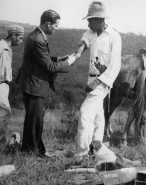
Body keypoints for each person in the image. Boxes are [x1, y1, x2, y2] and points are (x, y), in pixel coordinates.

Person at [16, 10, 76, 157]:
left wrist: (60, 59)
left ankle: (31, 150)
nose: (56, 29)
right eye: (55, 26)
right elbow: (48, 67)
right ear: (48, 24)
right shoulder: (38, 39)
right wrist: (69, 62)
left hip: (31, 84)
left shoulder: (36, 36)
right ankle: (34, 152)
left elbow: (44, 59)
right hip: (34, 85)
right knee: (35, 121)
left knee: (33, 120)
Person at [71, 1, 121, 156]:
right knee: (98, 114)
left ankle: (81, 153)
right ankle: (96, 148)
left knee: (85, 113)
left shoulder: (113, 36)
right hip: (91, 78)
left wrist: (97, 83)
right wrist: (78, 52)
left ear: (100, 20)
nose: (88, 23)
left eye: (90, 20)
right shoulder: (91, 32)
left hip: (102, 80)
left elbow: (115, 65)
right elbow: (84, 41)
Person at [0, 24, 24, 152]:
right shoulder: (1, 46)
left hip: (5, 86)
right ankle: (1, 145)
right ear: (13, 35)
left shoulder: (9, 49)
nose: (21, 41)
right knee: (5, 112)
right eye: (20, 38)